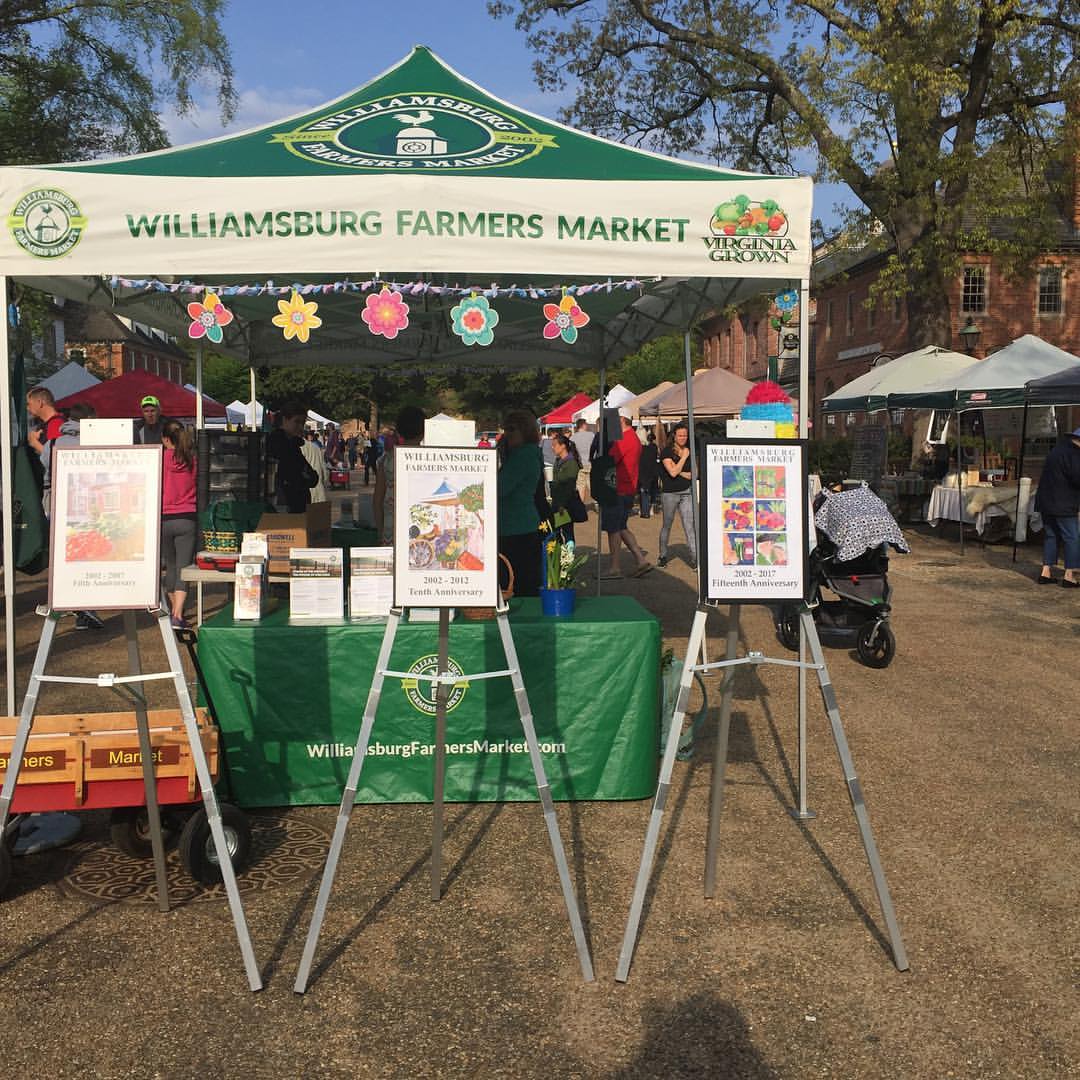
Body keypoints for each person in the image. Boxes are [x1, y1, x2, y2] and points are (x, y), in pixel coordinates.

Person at [51, 403, 105, 630]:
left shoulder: (54, 442)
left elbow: (46, 466)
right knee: (88, 557)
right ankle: (84, 607)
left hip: (60, 508)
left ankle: (74, 604)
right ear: (89, 420)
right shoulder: (95, 440)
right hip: (88, 508)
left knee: (67, 558)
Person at [496, 409, 544, 597]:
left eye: (512, 429)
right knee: (521, 581)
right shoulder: (527, 453)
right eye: (506, 429)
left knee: (515, 583)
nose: (507, 433)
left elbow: (500, 488)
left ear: (524, 430)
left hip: (516, 527)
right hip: (520, 525)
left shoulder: (523, 456)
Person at [603, 411, 652, 579]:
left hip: (618, 488)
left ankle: (615, 567)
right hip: (628, 488)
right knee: (621, 526)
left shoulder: (623, 439)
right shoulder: (634, 438)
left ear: (622, 420)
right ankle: (640, 560)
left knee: (613, 528)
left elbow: (609, 460)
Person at [160, 419, 198, 629]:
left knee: (171, 566)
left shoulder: (161, 459)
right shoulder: (192, 459)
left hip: (165, 517)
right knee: (184, 566)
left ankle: (174, 610)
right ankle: (178, 613)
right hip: (187, 517)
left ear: (165, 439)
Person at [1034, 425, 1080, 587]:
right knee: (1072, 537)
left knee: (1051, 535)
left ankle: (1045, 572)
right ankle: (1069, 575)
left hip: (1046, 501)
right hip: (1064, 503)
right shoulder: (1075, 455)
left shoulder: (1056, 450)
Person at [374, 405, 424, 544]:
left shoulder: (387, 459)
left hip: (392, 529)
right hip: (422, 529)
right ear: (424, 431)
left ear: (399, 431)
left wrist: (380, 531)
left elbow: (377, 500)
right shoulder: (430, 458)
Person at [657, 421, 698, 571]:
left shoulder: (690, 450)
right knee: (667, 525)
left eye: (685, 435)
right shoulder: (667, 452)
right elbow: (672, 473)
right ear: (674, 435)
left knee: (690, 526)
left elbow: (694, 474)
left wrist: (678, 470)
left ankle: (696, 559)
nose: (683, 438)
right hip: (669, 493)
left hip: (687, 492)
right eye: (680, 435)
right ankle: (662, 555)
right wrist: (683, 459)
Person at [268, 401, 318, 512]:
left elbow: (313, 478)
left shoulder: (293, 445)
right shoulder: (279, 444)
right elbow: (292, 475)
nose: (300, 427)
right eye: (296, 422)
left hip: (296, 504)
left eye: (303, 423)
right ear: (285, 420)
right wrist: (303, 477)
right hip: (285, 505)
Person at [549, 433, 582, 544]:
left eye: (554, 445)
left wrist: (562, 505)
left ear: (563, 446)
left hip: (565, 505)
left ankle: (568, 558)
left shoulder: (571, 463)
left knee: (567, 532)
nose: (552, 448)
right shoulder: (558, 461)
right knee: (556, 532)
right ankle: (559, 556)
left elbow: (569, 486)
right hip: (557, 503)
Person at [301, 430, 330, 503]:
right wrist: (325, 480)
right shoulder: (316, 447)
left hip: (307, 486)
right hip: (318, 484)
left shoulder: (300, 448)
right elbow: (323, 465)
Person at [638, 431, 660, 518]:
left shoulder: (641, 448)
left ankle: (645, 511)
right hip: (653, 472)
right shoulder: (654, 447)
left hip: (644, 473)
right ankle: (650, 509)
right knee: (652, 491)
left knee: (644, 492)